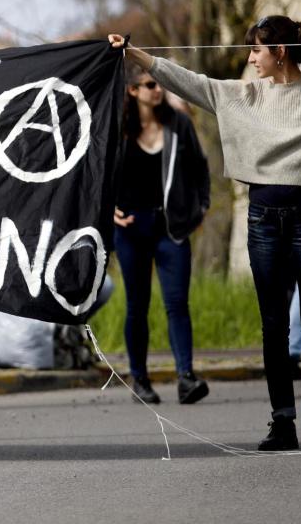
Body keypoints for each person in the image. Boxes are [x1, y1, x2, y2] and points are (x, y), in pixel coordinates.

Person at [109, 15, 301, 451]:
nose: (250, 59)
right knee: (274, 325)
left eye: (257, 50)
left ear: (279, 52)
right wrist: (134, 54)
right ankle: (282, 424)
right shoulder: (241, 95)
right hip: (262, 221)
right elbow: (186, 79)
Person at [113, 63, 211, 405]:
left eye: (160, 85)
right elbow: (97, 172)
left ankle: (186, 377)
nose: (158, 90)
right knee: (136, 305)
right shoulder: (118, 128)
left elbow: (201, 169)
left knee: (177, 303)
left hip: (171, 229)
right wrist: (107, 208)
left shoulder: (178, 124)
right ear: (133, 91)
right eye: (150, 84)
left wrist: (201, 210)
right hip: (130, 230)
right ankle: (139, 379)